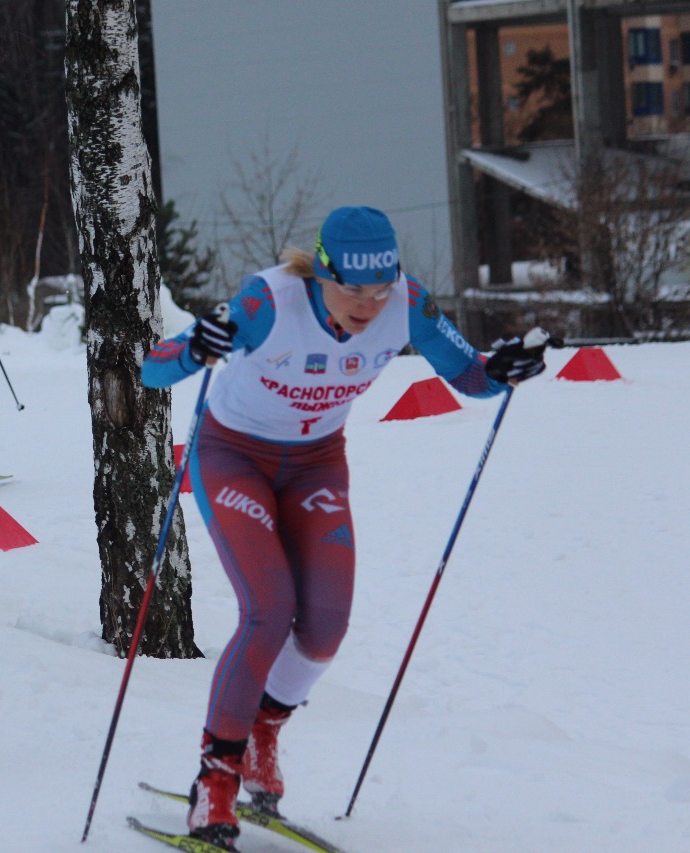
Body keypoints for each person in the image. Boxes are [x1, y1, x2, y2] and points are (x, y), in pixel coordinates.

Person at [141, 206, 549, 850]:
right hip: (233, 455)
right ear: (320, 273)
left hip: (315, 463)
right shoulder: (268, 300)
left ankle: (265, 731)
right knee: (268, 609)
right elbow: (155, 369)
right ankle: (215, 775)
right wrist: (195, 345)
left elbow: (470, 375)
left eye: (379, 288)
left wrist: (502, 371)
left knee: (326, 626)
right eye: (352, 289)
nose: (368, 305)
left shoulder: (407, 303)